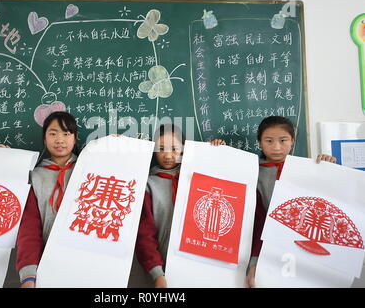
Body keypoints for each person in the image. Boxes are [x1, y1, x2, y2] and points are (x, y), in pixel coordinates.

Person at [129, 124, 225, 288]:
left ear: (184, 149)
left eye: (174, 148)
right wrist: (157, 273)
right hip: (158, 265)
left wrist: (219, 153)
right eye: (161, 148)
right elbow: (144, 234)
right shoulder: (147, 184)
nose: (167, 155)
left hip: (197, 262)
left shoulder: (197, 177)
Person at [246, 116, 336, 288]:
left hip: (304, 248)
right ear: (259, 143)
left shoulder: (309, 169)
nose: (276, 147)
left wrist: (328, 167)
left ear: (292, 141)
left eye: (283, 140)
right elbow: (257, 221)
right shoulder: (251, 170)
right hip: (266, 246)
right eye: (269, 141)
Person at [16, 111, 79, 288]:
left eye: (66, 134)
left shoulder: (89, 168)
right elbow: (29, 228)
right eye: (53, 133)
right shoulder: (34, 176)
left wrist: (116, 147)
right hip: (48, 263)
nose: (59, 140)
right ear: (44, 139)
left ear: (75, 138)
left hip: (86, 259)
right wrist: (28, 275)